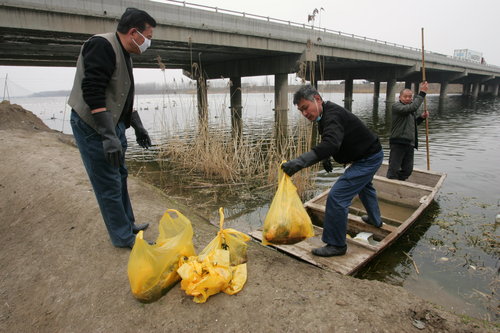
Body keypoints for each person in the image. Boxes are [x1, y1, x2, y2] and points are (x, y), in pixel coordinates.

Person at [68, 8, 156, 248]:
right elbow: (93, 92)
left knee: (120, 175)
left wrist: (137, 126)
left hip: (113, 122)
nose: (149, 42)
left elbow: (121, 94)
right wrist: (108, 136)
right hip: (92, 126)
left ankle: (128, 224)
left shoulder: (125, 52)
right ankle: (122, 237)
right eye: (148, 36)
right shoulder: (102, 46)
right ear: (134, 32)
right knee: (108, 182)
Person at [282, 85, 383, 257]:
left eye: (305, 108)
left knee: (337, 197)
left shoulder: (332, 115)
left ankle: (336, 245)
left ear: (318, 99)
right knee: (365, 186)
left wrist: (299, 162)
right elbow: (332, 138)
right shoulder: (323, 115)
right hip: (366, 155)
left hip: (368, 158)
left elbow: (331, 143)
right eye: (301, 111)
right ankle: (375, 219)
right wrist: (326, 157)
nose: (304, 113)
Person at [386, 82, 429, 181]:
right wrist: (422, 92)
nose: (408, 99)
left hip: (409, 143)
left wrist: (422, 118)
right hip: (398, 142)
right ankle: (391, 182)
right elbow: (412, 107)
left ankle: (400, 183)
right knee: (394, 168)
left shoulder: (410, 111)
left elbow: (413, 124)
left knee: (408, 170)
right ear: (400, 97)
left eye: (410, 97)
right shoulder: (397, 107)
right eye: (405, 97)